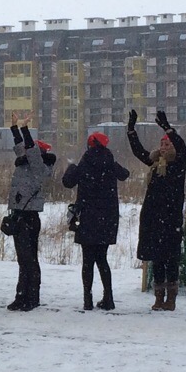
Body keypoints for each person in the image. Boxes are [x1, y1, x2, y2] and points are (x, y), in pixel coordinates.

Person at [127, 109, 186, 310]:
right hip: (153, 217)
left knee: (170, 258)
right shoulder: (154, 163)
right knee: (157, 258)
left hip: (170, 219)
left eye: (166, 144)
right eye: (161, 144)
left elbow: (182, 147)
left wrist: (168, 128)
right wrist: (131, 130)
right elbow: (138, 151)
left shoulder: (178, 164)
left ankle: (171, 297)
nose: (163, 147)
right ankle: (158, 297)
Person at [62, 130, 129, 311]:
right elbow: (125, 174)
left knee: (87, 261)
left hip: (88, 217)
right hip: (107, 218)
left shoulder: (84, 163)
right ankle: (109, 297)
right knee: (102, 259)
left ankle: (87, 299)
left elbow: (67, 182)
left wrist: (71, 166)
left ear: (89, 144)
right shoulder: (110, 162)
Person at [5, 121, 55, 311]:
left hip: (29, 217)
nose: (24, 151)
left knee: (29, 260)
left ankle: (31, 297)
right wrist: (14, 128)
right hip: (19, 214)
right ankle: (21, 295)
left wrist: (25, 129)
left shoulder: (38, 167)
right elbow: (21, 147)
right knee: (23, 259)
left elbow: (30, 150)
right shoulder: (26, 163)